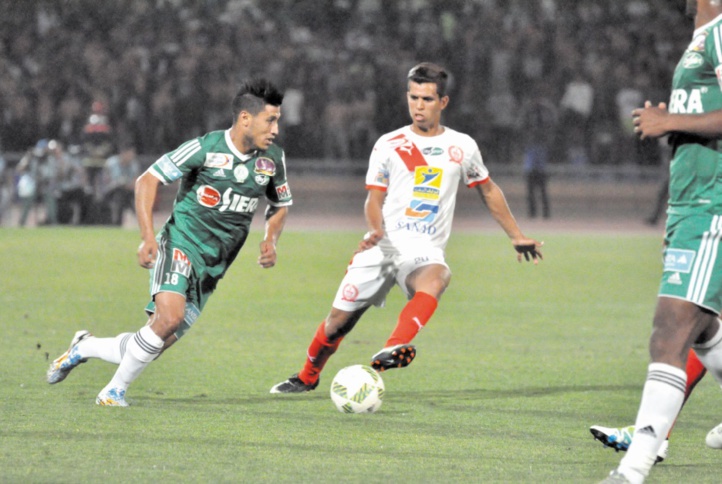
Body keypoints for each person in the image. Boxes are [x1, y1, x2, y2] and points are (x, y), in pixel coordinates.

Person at [270, 62, 543, 394]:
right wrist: (374, 229)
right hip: (384, 243)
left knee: (438, 276)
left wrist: (516, 235)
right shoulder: (389, 143)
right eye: (413, 97)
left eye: (427, 99)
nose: (418, 105)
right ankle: (307, 376)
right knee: (337, 323)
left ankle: (394, 346)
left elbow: (487, 189)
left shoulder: (462, 146)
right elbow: (374, 198)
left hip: (424, 247)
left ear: (443, 102)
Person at [46, 78, 292, 406]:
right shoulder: (205, 148)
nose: (276, 128)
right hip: (180, 244)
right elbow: (147, 180)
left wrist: (271, 239)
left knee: (153, 343)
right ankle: (112, 392)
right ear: (246, 118)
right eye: (270, 120)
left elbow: (280, 204)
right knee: (169, 318)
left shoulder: (272, 159)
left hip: (212, 269)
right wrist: (148, 237)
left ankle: (84, 347)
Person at [602, 1, 722, 482]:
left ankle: (632, 471)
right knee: (706, 330)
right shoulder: (702, 35)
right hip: (689, 203)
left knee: (669, 329)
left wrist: (670, 121)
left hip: (712, 204)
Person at [102, 144, 141, 226]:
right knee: (120, 193)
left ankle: (118, 222)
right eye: (130, 154)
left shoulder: (134, 164)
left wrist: (129, 185)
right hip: (110, 190)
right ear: (123, 153)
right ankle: (136, 218)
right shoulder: (111, 163)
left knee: (124, 195)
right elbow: (111, 180)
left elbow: (135, 181)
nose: (132, 156)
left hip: (126, 190)